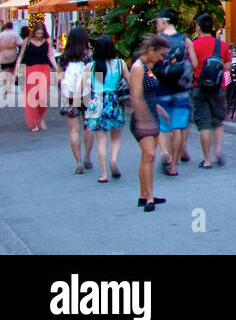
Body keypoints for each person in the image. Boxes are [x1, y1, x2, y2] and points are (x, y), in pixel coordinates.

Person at [153, 7, 198, 176]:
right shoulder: (185, 40)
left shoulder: (157, 40)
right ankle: (174, 166)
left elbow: (150, 65)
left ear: (164, 21)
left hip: (162, 89)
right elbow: (194, 63)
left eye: (158, 21)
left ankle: (165, 153)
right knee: (178, 126)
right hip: (181, 89)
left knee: (163, 126)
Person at [131, 34, 171, 211]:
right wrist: (143, 118)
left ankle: (145, 194)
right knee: (149, 156)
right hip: (143, 118)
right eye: (160, 54)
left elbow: (148, 95)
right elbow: (136, 96)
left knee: (148, 157)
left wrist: (159, 110)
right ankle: (148, 198)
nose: (162, 58)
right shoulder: (138, 67)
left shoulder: (147, 67)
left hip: (150, 115)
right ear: (151, 50)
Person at [191, 12, 232, 169]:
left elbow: (192, 65)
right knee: (218, 121)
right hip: (218, 88)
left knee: (204, 123)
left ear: (198, 27)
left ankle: (206, 159)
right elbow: (227, 67)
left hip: (199, 88)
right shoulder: (221, 45)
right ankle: (217, 153)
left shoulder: (194, 45)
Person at [85, 34, 127, 182]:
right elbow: (130, 82)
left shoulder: (91, 66)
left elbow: (85, 86)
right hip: (114, 101)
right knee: (115, 137)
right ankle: (113, 159)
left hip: (97, 101)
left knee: (101, 140)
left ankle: (104, 174)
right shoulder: (120, 64)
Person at [57, 26, 94, 173]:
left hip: (69, 95)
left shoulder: (63, 57)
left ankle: (78, 161)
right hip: (87, 94)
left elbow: (59, 78)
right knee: (88, 125)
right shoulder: (89, 56)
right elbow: (95, 76)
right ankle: (87, 157)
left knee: (73, 130)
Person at [17, 21, 57, 131]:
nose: (39, 35)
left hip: (44, 69)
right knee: (32, 97)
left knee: (42, 96)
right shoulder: (27, 41)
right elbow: (21, 56)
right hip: (30, 70)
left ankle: (42, 117)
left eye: (41, 33)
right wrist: (17, 70)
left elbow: (51, 56)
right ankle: (34, 122)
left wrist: (57, 69)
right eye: (37, 33)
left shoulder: (47, 41)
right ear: (34, 32)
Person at [0, 20, 21, 92]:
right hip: (12, 55)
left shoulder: (1, 35)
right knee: (11, 71)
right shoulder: (15, 34)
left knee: (3, 70)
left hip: (3, 55)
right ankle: (9, 87)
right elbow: (20, 43)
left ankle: (5, 85)